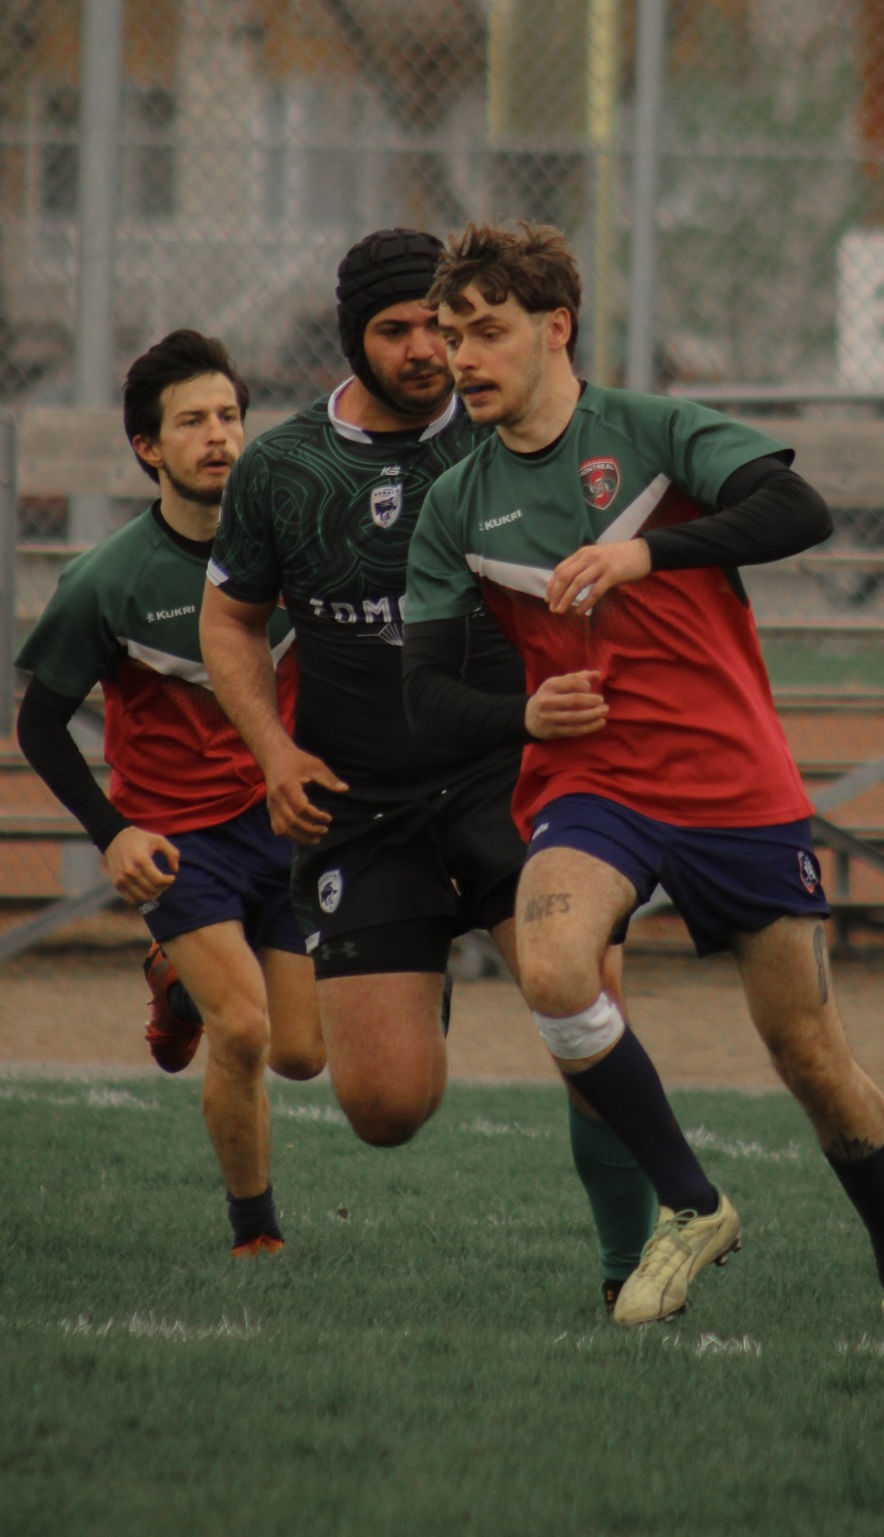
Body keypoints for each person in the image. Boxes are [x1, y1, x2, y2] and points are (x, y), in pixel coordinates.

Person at [401, 220, 884, 1339]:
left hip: (736, 783)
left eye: (488, 331)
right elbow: (420, 687)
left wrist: (645, 550)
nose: (463, 356)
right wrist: (522, 713)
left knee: (810, 1055)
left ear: (555, 329)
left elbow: (800, 511)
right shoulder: (457, 500)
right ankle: (692, 1202)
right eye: (453, 333)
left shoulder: (652, 432)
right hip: (591, 784)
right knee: (554, 964)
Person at [200, 229, 658, 1307]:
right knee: (384, 1107)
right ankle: (422, 965)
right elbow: (230, 621)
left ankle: (629, 1271)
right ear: (351, 335)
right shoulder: (283, 465)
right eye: (394, 329)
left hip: (519, 777)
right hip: (360, 804)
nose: (424, 350)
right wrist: (274, 747)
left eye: (438, 328)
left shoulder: (514, 437)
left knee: (589, 1009)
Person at [16, 330, 324, 1259]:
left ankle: (176, 989)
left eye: (229, 416)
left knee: (303, 1054)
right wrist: (112, 833)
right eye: (191, 422)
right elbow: (39, 724)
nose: (218, 436)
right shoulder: (106, 579)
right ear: (148, 449)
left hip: (287, 823)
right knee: (247, 1027)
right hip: (180, 841)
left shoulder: (298, 556)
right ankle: (254, 1232)